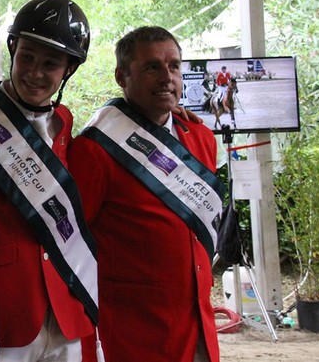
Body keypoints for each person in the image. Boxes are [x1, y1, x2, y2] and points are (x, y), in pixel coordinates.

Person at [0, 0, 98, 362]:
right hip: (6, 307)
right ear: (13, 50)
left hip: (65, 307)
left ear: (68, 70)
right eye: (27, 56)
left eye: (51, 63)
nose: (34, 71)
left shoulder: (64, 123)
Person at [67, 26, 224, 362]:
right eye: (152, 67)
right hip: (133, 335)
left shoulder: (199, 138)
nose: (167, 77)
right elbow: (73, 250)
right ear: (122, 77)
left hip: (199, 327)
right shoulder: (95, 150)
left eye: (174, 66)